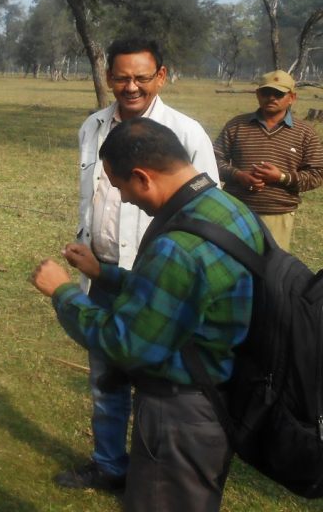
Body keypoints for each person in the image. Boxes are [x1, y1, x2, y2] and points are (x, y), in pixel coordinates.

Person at [32, 118, 261, 512]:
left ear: (142, 177)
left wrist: (63, 292)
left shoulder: (178, 247)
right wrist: (104, 273)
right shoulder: (227, 209)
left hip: (180, 412)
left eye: (119, 186)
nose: (123, 199)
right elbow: (176, 296)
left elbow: (125, 343)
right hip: (219, 394)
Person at [58, 38, 220, 492]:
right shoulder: (93, 126)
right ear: (108, 77)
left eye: (142, 78)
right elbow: (93, 195)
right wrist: (87, 243)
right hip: (103, 273)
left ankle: (155, 477)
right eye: (122, 77)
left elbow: (207, 208)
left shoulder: (186, 133)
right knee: (105, 380)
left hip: (158, 280)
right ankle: (109, 464)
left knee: (157, 387)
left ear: (161, 77)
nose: (131, 87)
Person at [213, 70, 323, 250]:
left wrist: (281, 177)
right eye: (266, 92)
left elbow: (317, 174)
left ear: (292, 98)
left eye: (278, 94)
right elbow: (213, 160)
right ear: (258, 94)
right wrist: (238, 175)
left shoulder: (305, 133)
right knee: (232, 260)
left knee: (271, 264)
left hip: (278, 215)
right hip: (236, 211)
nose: (271, 98)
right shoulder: (237, 125)